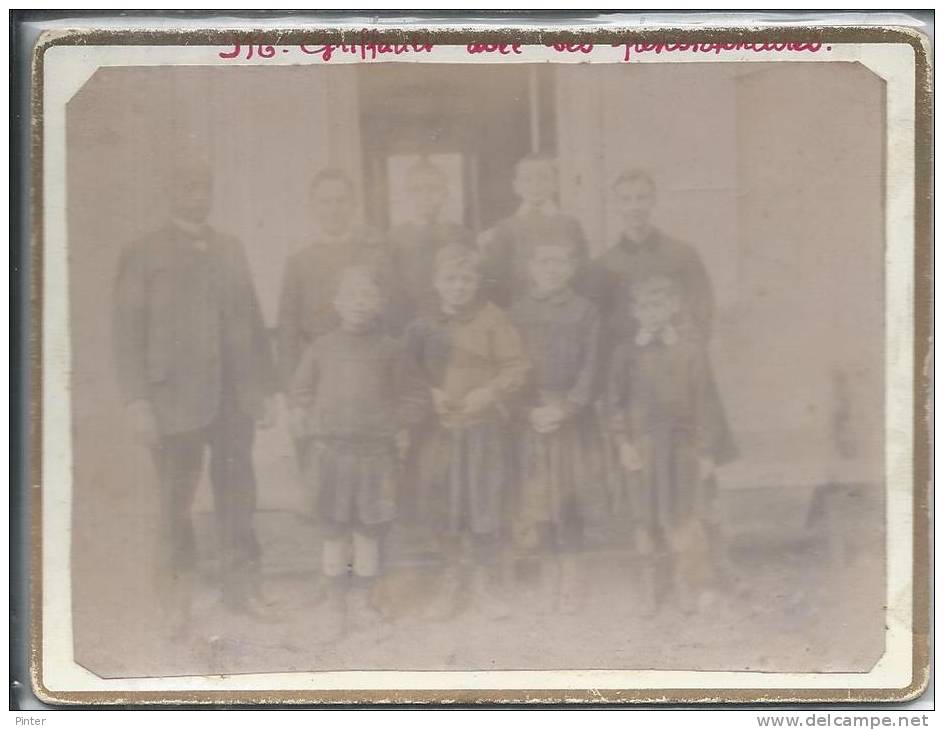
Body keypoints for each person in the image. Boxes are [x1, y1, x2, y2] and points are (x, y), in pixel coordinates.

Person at [112, 163, 278, 637]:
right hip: (172, 403)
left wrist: (263, 388)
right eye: (186, 187)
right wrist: (136, 402)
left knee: (238, 498)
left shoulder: (231, 248)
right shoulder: (142, 253)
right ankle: (174, 601)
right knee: (173, 504)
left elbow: (252, 317)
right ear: (170, 192)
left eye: (202, 188)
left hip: (232, 398)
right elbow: (127, 334)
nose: (196, 196)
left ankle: (242, 589)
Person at [288, 267, 426, 638]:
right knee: (333, 531)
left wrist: (393, 422)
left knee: (367, 531)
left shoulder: (392, 349)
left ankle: (365, 601)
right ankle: (335, 605)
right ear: (337, 304)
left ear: (379, 304)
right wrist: (303, 415)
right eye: (351, 296)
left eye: (367, 297)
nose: (359, 304)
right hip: (331, 453)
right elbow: (300, 391)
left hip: (373, 456)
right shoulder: (322, 347)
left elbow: (415, 397)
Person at [404, 245, 530, 620]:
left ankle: (483, 581)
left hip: (481, 430)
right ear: (436, 283)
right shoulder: (423, 325)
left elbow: (517, 366)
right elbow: (406, 371)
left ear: (477, 282)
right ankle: (452, 577)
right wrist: (431, 393)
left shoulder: (493, 320)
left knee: (483, 502)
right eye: (450, 279)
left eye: (466, 279)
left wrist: (490, 392)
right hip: (440, 431)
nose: (459, 287)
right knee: (444, 501)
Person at [606, 276, 725, 614]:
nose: (652, 313)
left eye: (659, 304)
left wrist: (704, 452)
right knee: (645, 517)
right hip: (642, 448)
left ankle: (682, 581)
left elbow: (705, 403)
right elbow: (614, 404)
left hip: (681, 448)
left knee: (682, 516)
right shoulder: (625, 353)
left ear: (674, 307)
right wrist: (623, 444)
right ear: (634, 311)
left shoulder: (690, 351)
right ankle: (650, 585)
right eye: (645, 306)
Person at [276, 169, 390, 488]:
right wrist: (291, 391)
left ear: (353, 205)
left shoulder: (373, 256)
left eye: (341, 201)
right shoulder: (299, 261)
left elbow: (388, 315)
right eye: (325, 201)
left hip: (364, 363)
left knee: (364, 449)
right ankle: (325, 522)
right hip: (318, 369)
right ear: (313, 207)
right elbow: (286, 327)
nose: (333, 208)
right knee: (318, 450)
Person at [509, 234, 601, 614]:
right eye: (544, 262)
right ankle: (548, 573)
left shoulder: (585, 311)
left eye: (560, 262)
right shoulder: (516, 313)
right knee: (538, 499)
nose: (552, 269)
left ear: (573, 267)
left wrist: (567, 408)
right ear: (531, 269)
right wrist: (528, 410)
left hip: (570, 420)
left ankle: (573, 576)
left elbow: (591, 368)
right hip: (532, 419)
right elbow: (510, 368)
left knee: (569, 498)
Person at [478, 154, 588, 307]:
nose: (535, 185)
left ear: (555, 184)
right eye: (527, 180)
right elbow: (498, 276)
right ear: (516, 186)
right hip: (520, 308)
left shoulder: (570, 225)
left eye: (543, 178)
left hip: (564, 308)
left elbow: (582, 271)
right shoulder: (506, 227)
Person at [388, 158, 474, 326]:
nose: (425, 196)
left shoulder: (461, 234)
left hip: (453, 316)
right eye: (417, 190)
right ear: (406, 195)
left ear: (445, 193)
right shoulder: (395, 236)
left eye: (433, 189)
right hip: (410, 317)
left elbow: (470, 279)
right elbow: (393, 286)